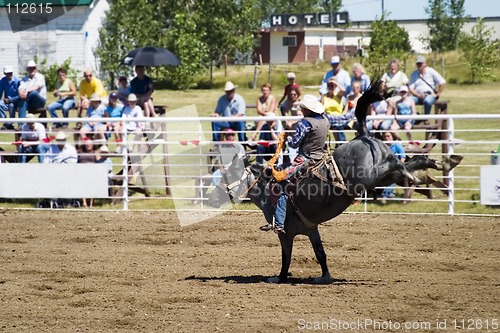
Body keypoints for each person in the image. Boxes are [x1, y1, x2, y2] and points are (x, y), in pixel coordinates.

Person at [261, 94, 329, 233]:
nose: (301, 110)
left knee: (280, 183)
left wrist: (286, 136)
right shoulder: (325, 119)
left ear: (306, 109)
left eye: (302, 108)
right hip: (321, 158)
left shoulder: (305, 123)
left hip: (305, 160)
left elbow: (294, 143)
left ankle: (279, 222)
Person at [18, 60, 47, 129]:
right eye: (30, 68)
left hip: (40, 101)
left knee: (34, 93)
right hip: (29, 101)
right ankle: (21, 125)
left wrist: (26, 92)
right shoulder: (24, 79)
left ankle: (13, 99)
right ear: (27, 70)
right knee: (22, 101)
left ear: (36, 69)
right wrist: (20, 94)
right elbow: (20, 88)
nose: (32, 70)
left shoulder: (40, 77)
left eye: (33, 68)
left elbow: (36, 87)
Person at [380, 131, 406, 204]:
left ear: (392, 137)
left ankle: (385, 195)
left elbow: (403, 157)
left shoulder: (397, 146)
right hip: (384, 166)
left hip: (395, 166)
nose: (386, 138)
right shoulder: (383, 146)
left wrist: (400, 166)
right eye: (385, 136)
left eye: (388, 136)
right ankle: (389, 193)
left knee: (392, 175)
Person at [0, 65, 21, 130]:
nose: (9, 75)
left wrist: (11, 99)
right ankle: (5, 122)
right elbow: (0, 92)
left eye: (10, 73)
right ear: (5, 73)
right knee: (0, 104)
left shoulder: (18, 81)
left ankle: (11, 123)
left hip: (16, 101)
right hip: (6, 101)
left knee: (11, 105)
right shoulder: (3, 81)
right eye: (8, 73)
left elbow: (20, 95)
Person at [78, 138, 97, 208]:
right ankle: (84, 202)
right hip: (82, 171)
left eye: (90, 144)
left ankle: (91, 203)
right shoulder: (80, 152)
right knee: (82, 184)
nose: (88, 145)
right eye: (87, 144)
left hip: (92, 171)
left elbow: (98, 161)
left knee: (92, 185)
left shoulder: (95, 152)